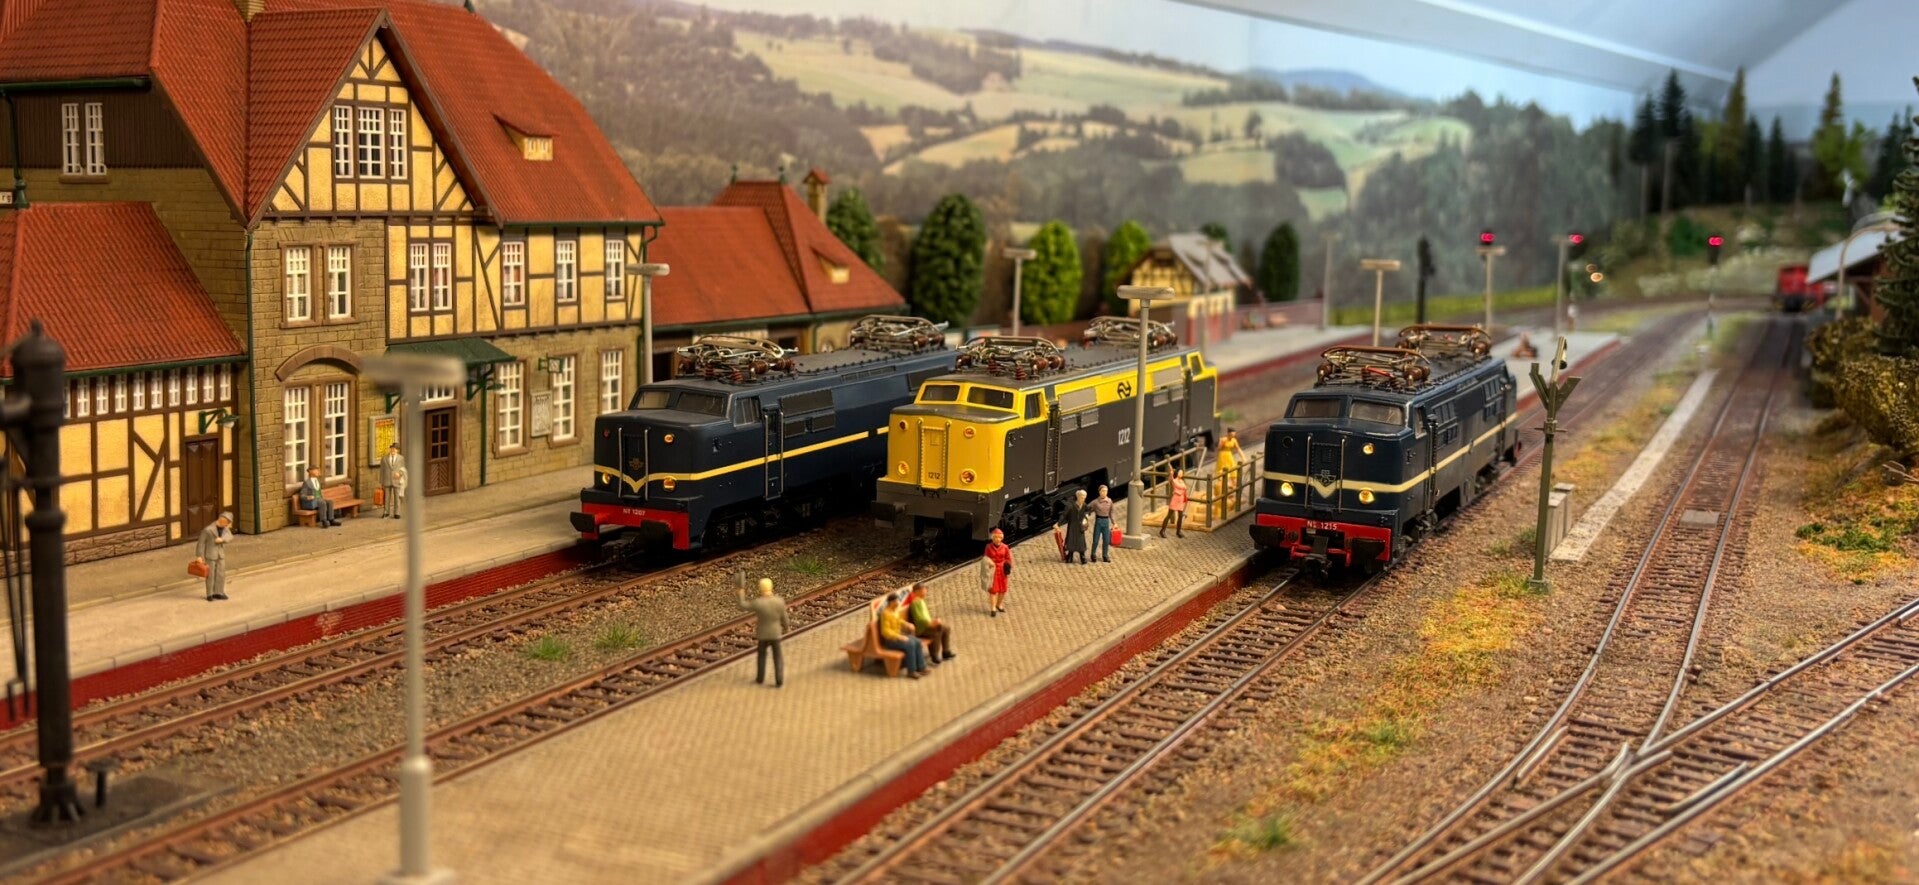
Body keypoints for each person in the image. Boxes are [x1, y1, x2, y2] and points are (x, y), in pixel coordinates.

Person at [737, 576, 790, 687]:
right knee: (777, 656)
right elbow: (784, 618)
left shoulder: (758, 603)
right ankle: (779, 679)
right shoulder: (779, 601)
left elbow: (742, 605)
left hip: (763, 634)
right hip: (775, 633)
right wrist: (786, 628)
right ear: (771, 587)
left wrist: (740, 592)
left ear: (760, 589)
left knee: (761, 655)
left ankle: (760, 678)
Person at [879, 592, 931, 678]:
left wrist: (906, 624)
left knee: (917, 642)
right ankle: (911, 671)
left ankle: (921, 667)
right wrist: (899, 637)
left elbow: (898, 620)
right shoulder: (885, 614)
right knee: (910, 645)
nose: (898, 603)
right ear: (891, 602)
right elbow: (885, 631)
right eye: (896, 601)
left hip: (899, 635)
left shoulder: (895, 610)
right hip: (891, 640)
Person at [906, 583, 954, 662]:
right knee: (937, 631)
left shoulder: (921, 601)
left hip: (928, 625)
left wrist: (934, 621)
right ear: (917, 591)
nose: (925, 592)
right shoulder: (915, 603)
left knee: (946, 628)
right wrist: (930, 623)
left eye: (925, 590)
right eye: (923, 590)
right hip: (922, 629)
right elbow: (919, 619)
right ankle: (934, 655)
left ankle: (946, 651)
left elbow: (926, 616)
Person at [194, 512, 233, 601]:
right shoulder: (208, 530)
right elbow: (200, 543)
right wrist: (199, 555)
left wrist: (222, 539)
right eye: (226, 523)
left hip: (220, 555)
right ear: (222, 521)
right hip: (210, 555)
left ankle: (219, 592)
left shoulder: (225, 529)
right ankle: (210, 594)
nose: (227, 525)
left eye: (228, 524)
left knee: (221, 574)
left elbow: (230, 536)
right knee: (210, 575)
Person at [982, 527, 1012, 615]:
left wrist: (1008, 566)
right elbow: (985, 558)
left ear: (1002, 538)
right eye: (996, 537)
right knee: (993, 590)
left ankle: (999, 604)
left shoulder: (1005, 547)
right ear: (993, 538)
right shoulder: (988, 547)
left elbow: (1008, 558)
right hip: (993, 571)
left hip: (1002, 571)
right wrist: (988, 564)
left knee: (1002, 589)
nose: (998, 539)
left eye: (999, 537)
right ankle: (993, 608)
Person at [1215, 429, 1243, 520]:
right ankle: (1226, 495)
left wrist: (1243, 457)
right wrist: (1221, 442)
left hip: (1229, 457)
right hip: (1223, 457)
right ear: (1228, 434)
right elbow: (1219, 448)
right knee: (1224, 476)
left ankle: (1232, 496)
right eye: (1231, 434)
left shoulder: (1234, 440)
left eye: (1233, 434)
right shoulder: (1223, 440)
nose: (1232, 436)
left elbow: (1238, 449)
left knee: (1233, 475)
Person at [1058, 489, 1090, 565]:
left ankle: (1082, 556)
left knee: (1081, 542)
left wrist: (1086, 516)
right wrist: (1058, 524)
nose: (1083, 499)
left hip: (1080, 527)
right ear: (1078, 497)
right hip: (1072, 526)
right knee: (1071, 541)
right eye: (1082, 497)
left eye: (1084, 498)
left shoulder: (1084, 505)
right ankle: (1070, 556)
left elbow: (1088, 510)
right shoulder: (1070, 506)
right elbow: (1064, 515)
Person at [1090, 485, 1115, 562]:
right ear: (1099, 492)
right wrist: (1087, 515)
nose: (1104, 492)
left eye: (1106, 491)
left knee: (1106, 540)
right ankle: (1093, 554)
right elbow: (1088, 508)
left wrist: (1114, 522)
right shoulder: (1095, 502)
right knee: (1095, 540)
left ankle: (1105, 555)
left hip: (1106, 522)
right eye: (1103, 491)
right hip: (1098, 521)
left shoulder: (1109, 501)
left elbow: (1111, 512)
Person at [380, 444, 406, 519]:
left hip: (396, 480)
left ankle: (397, 513)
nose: (393, 450)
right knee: (386, 497)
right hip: (387, 480)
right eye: (392, 448)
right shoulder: (384, 458)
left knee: (397, 497)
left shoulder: (401, 458)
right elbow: (382, 470)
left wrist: (400, 474)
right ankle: (386, 512)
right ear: (390, 449)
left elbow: (403, 469)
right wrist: (381, 481)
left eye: (395, 449)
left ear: (397, 450)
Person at [1161, 467, 1188, 538]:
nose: (1181, 473)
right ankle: (1162, 530)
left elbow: (1184, 489)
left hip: (1181, 499)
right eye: (1180, 472)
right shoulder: (1174, 480)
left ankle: (1178, 531)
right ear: (1177, 473)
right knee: (1169, 515)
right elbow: (1171, 478)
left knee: (1180, 516)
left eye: (1182, 472)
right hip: (1175, 498)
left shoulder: (1182, 481)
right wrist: (1171, 473)